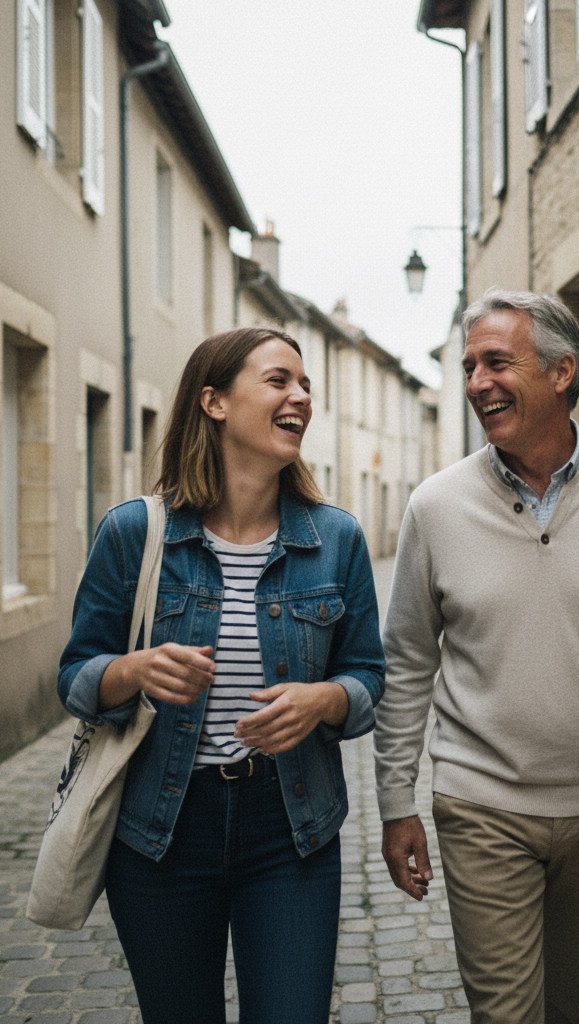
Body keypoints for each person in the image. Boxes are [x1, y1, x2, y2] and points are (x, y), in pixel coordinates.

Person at [374, 289, 579, 1024]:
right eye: (468, 367)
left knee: (578, 1007)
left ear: (563, 374)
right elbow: (404, 661)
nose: (474, 383)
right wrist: (396, 802)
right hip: (480, 803)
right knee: (506, 1015)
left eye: (496, 362)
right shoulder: (435, 507)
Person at [58, 325, 384, 1024]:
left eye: (306, 386)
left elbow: (368, 680)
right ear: (213, 402)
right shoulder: (133, 534)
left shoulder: (337, 541)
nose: (300, 396)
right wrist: (133, 671)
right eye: (278, 381)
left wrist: (324, 699)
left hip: (291, 827)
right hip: (161, 832)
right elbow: (76, 678)